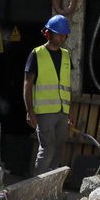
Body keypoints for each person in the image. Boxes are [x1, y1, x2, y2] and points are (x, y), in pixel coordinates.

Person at [23, 14, 75, 175]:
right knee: (47, 149)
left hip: (62, 112)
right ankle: (37, 185)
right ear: (48, 34)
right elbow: (27, 84)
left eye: (64, 35)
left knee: (58, 150)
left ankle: (51, 185)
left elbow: (67, 85)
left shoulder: (66, 55)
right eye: (59, 34)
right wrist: (30, 111)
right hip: (44, 113)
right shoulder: (37, 54)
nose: (62, 38)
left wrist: (70, 111)